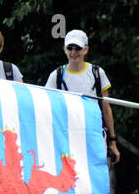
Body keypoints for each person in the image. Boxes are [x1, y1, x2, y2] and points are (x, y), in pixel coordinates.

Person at [45, 29, 120, 165]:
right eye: (70, 48)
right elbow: (47, 108)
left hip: (94, 134)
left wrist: (113, 142)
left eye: (78, 48)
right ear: (64, 50)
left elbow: (106, 108)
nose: (74, 52)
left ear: (86, 50)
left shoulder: (97, 73)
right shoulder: (56, 76)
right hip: (66, 135)